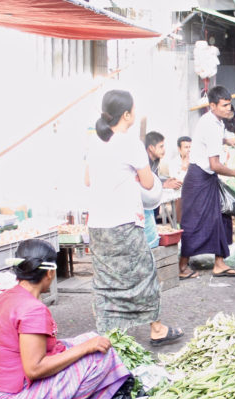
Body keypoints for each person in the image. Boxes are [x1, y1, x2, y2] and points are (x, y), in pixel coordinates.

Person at [0, 240, 131, 399]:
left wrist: (86, 344)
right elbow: (34, 369)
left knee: (91, 338)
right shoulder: (32, 309)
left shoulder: (5, 297)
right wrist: (85, 348)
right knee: (101, 358)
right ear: (50, 273)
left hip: (0, 391)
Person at [85, 90, 183, 344]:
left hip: (97, 225)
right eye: (134, 110)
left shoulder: (93, 142)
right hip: (124, 222)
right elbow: (149, 183)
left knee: (107, 280)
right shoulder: (129, 143)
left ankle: (109, 335)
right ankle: (157, 329)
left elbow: (87, 180)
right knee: (144, 274)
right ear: (126, 114)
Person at [179, 85, 235, 279]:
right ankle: (182, 267)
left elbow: (214, 139)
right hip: (198, 178)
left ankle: (219, 263)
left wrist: (228, 141)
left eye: (229, 105)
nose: (228, 108)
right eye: (224, 105)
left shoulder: (216, 121)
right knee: (193, 222)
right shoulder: (210, 124)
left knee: (220, 218)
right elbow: (215, 165)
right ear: (213, 106)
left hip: (207, 178)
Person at [166, 136, 191, 224]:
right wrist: (184, 168)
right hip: (180, 196)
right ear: (179, 149)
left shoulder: (196, 160)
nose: (189, 150)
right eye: (186, 147)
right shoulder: (173, 163)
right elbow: (177, 183)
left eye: (190, 147)